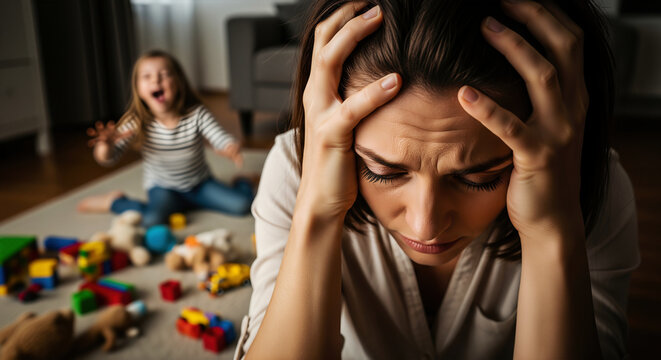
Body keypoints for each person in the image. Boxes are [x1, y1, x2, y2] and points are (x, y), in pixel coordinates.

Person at [238, 0, 640, 359]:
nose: (425, 225)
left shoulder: (584, 189)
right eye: (382, 171)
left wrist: (551, 230)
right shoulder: (295, 169)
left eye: (480, 178)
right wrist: (318, 212)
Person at [77, 50, 254, 227]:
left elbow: (220, 138)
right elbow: (107, 158)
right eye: (147, 76)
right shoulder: (136, 121)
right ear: (138, 89)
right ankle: (115, 201)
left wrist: (230, 147)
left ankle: (242, 182)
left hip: (200, 185)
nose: (156, 80)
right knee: (152, 220)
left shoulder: (196, 114)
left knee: (244, 206)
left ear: (178, 82)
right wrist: (105, 145)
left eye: (165, 74)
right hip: (163, 189)